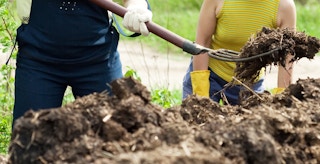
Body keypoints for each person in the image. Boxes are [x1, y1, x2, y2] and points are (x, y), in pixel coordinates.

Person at [12, 0, 152, 125]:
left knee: (111, 139)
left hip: (98, 61)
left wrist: (137, 6)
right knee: (30, 141)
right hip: (38, 61)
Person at [182, 0, 296, 105]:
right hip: (210, 74)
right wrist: (200, 92)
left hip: (250, 84)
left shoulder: (284, 6)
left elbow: (286, 58)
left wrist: (283, 98)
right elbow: (202, 42)